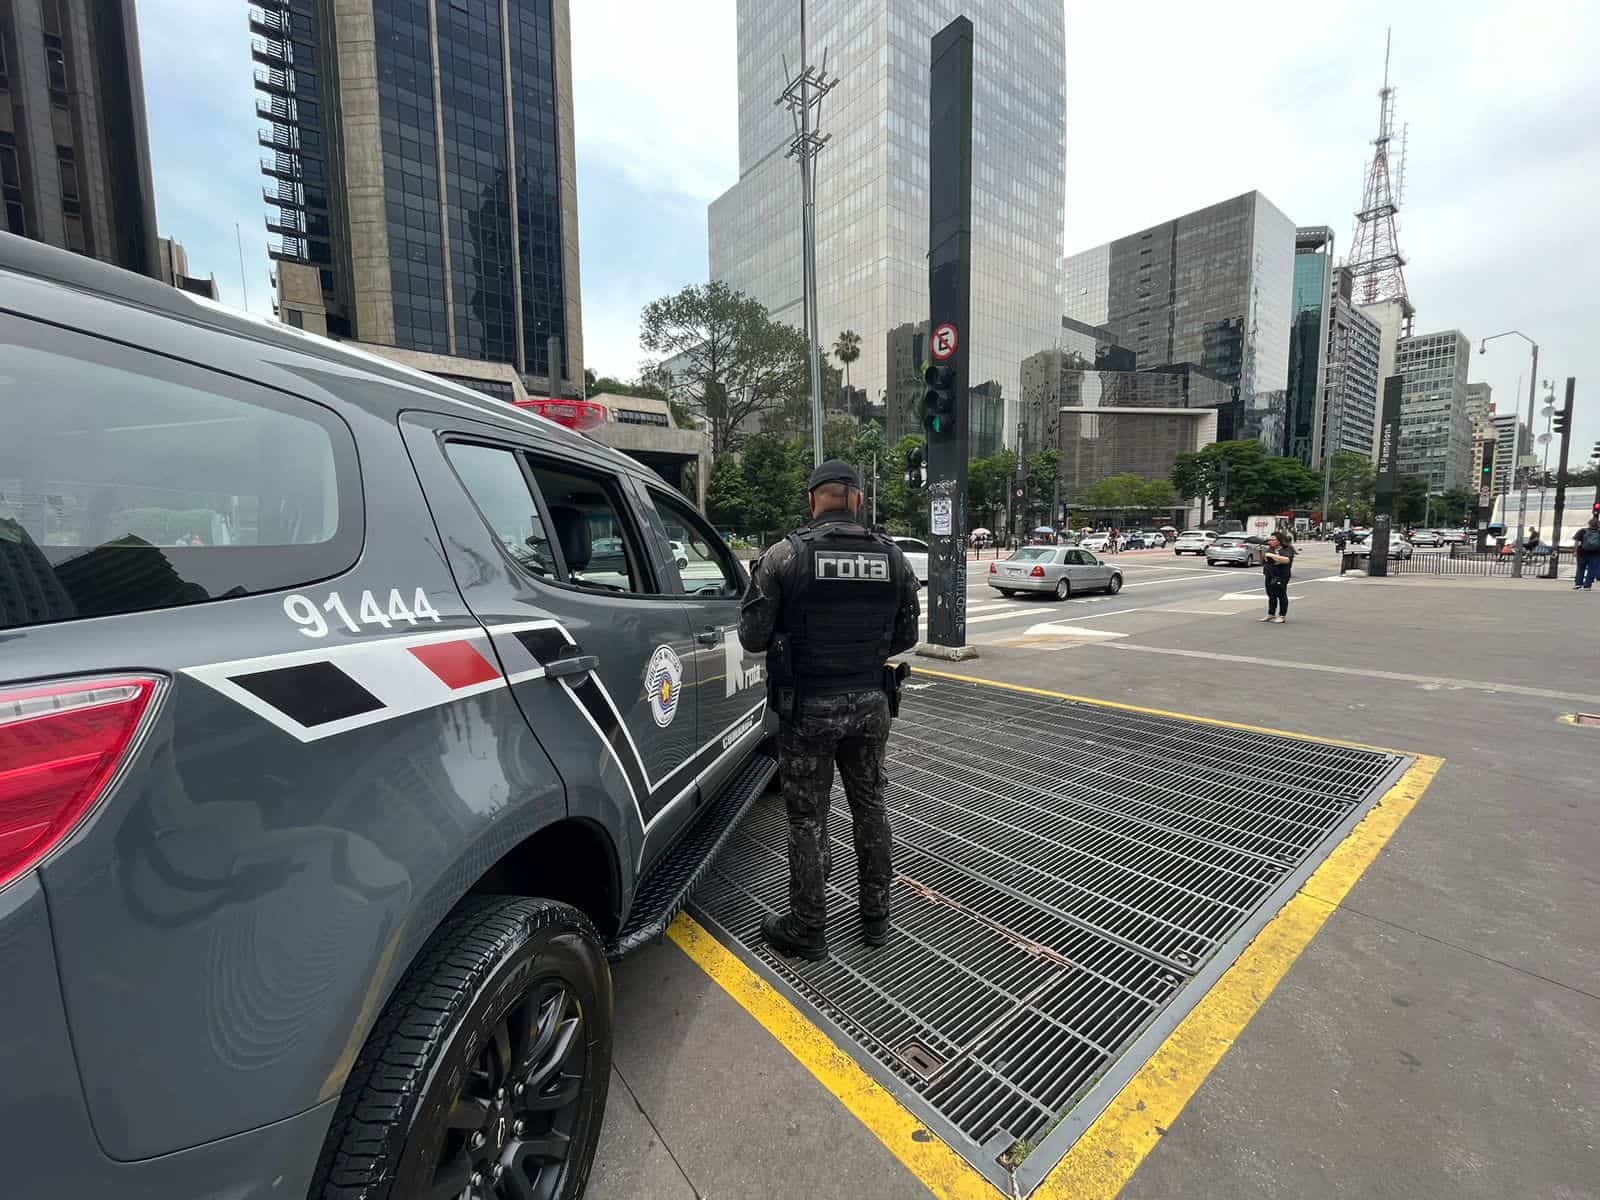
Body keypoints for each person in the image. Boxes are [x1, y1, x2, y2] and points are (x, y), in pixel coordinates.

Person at [738, 460, 921, 961]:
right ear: (858, 499)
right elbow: (906, 636)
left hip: (809, 708)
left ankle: (808, 928)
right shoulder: (893, 557)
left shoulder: (784, 556)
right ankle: (876, 919)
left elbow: (752, 636)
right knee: (871, 807)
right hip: (871, 704)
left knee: (807, 818)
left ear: (812, 500)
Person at [1261, 530, 1296, 624]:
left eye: (1273, 540)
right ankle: (1271, 614)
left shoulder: (1287, 549)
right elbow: (1265, 560)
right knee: (1271, 595)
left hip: (1281, 575)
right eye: (1270, 540)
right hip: (1269, 574)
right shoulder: (1270, 549)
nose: (1270, 541)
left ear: (1279, 541)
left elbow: (1286, 560)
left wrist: (1272, 555)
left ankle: (1282, 615)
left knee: (1281, 594)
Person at [1574, 516, 1600, 590]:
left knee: (1580, 568)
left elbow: (1576, 542)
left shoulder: (1582, 531)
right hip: (1595, 553)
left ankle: (1578, 584)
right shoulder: (1599, 532)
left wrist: (1575, 551)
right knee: (1591, 569)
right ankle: (1587, 585)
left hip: (1582, 552)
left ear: (1589, 524)